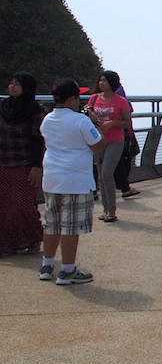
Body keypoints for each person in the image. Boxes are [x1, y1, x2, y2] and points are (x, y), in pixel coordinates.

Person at [39, 79, 105, 284]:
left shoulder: (47, 120)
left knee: (52, 224)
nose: (79, 100)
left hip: (51, 178)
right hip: (75, 180)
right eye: (77, 97)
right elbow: (99, 145)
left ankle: (47, 265)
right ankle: (67, 270)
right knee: (70, 227)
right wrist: (94, 121)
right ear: (70, 99)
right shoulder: (81, 121)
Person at [0, 72, 45, 258]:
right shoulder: (3, 107)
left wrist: (36, 166)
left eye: (17, 84)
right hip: (3, 162)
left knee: (21, 206)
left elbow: (38, 141)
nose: (12, 87)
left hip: (25, 164)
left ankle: (33, 238)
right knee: (3, 206)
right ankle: (6, 245)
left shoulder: (35, 111)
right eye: (10, 83)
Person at [85, 71, 133, 222]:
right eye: (100, 81)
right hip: (97, 140)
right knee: (101, 175)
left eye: (104, 81)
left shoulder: (120, 101)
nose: (101, 83)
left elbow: (127, 122)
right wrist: (91, 116)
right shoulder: (94, 98)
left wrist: (113, 123)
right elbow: (88, 116)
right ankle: (106, 209)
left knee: (107, 173)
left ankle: (111, 210)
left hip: (115, 140)